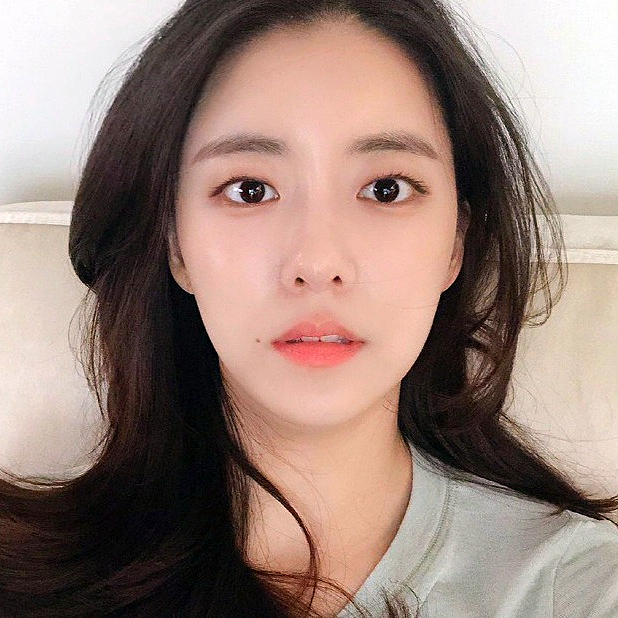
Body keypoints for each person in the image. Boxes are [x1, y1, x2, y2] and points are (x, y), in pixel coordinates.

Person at [0, 0, 617, 616]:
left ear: (457, 243)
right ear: (176, 245)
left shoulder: (578, 589)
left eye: (385, 189)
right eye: (250, 190)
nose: (318, 262)